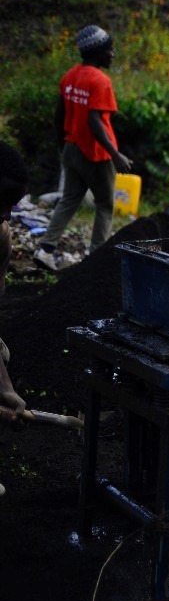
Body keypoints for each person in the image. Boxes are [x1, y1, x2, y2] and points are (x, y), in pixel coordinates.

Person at [34, 25, 133, 271]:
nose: (113, 55)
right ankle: (95, 260)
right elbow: (94, 121)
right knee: (105, 205)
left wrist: (65, 147)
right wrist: (115, 154)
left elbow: (58, 116)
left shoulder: (70, 76)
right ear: (98, 53)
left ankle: (45, 249)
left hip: (72, 148)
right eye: (110, 50)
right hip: (96, 155)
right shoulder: (100, 81)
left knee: (69, 200)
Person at [1, 142, 30, 473]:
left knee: (2, 356)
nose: (7, 214)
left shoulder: (1, 235)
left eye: (12, 205)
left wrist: (5, 388)